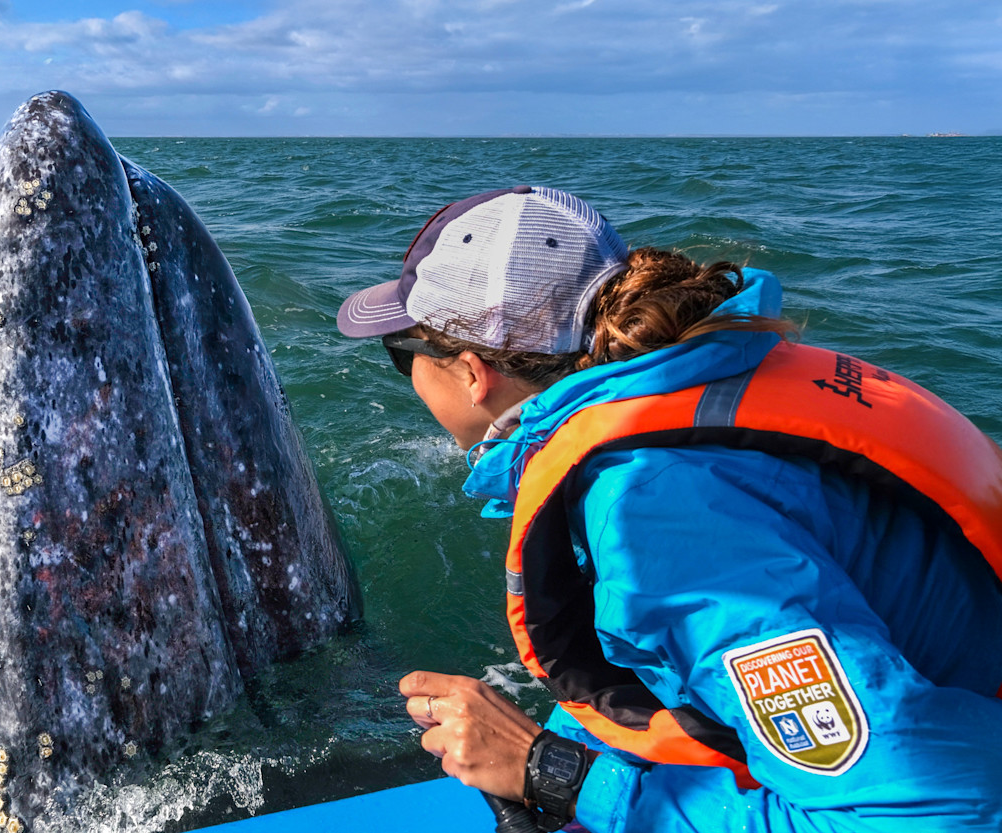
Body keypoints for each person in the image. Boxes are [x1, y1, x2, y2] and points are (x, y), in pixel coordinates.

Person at [335, 185, 1002, 831]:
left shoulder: (655, 510)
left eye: (405, 354)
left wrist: (552, 772)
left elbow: (933, 815)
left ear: (474, 373)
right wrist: (573, 738)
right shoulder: (711, 381)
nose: (407, 373)